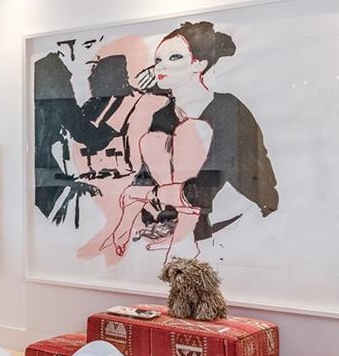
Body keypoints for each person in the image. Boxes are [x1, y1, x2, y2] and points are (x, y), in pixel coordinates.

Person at [104, 20, 279, 254]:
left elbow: (213, 177)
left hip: (236, 206)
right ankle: (181, 227)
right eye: (158, 60)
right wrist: (127, 216)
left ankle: (186, 230)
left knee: (190, 130)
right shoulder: (163, 115)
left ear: (198, 64)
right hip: (186, 209)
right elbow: (148, 173)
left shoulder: (227, 107)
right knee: (153, 141)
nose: (161, 67)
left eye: (174, 57)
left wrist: (150, 195)